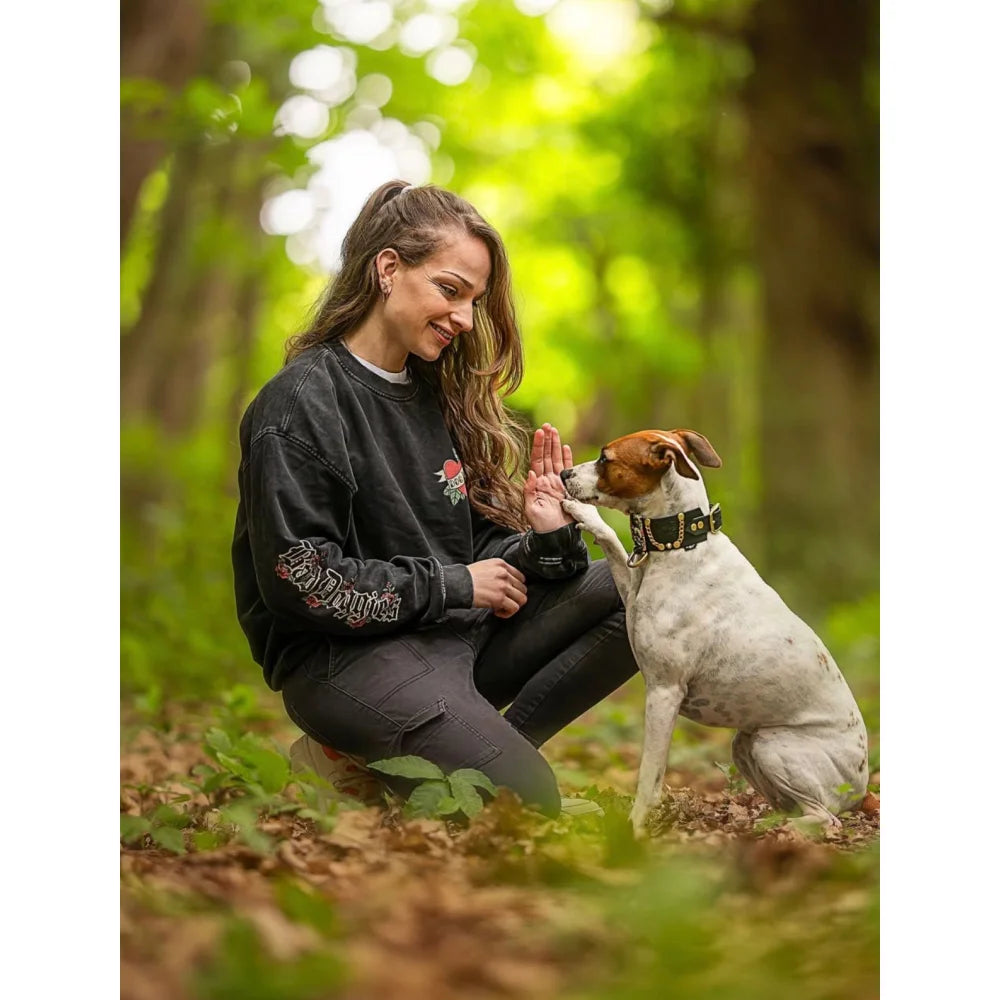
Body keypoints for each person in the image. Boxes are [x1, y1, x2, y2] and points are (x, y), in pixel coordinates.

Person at [231, 180, 637, 817]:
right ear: (388, 269)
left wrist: (547, 535)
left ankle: (436, 763)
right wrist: (454, 586)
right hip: (345, 661)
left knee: (633, 587)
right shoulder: (300, 402)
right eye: (450, 290)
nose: (465, 319)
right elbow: (304, 581)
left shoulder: (434, 395)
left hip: (450, 640)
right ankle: (399, 755)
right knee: (532, 799)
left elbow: (473, 556)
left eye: (473, 300)